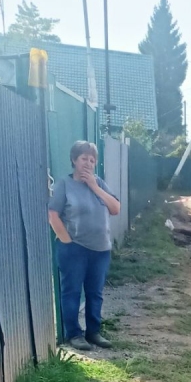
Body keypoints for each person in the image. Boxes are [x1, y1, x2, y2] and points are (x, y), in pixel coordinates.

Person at [48, 140, 121, 352]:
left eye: (92, 160)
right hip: (75, 248)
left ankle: (93, 331)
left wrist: (94, 186)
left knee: (95, 293)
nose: (88, 163)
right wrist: (66, 241)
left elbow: (115, 208)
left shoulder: (99, 183)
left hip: (101, 249)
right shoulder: (64, 184)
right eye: (83, 159)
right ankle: (73, 334)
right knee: (71, 292)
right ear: (74, 160)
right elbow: (53, 214)